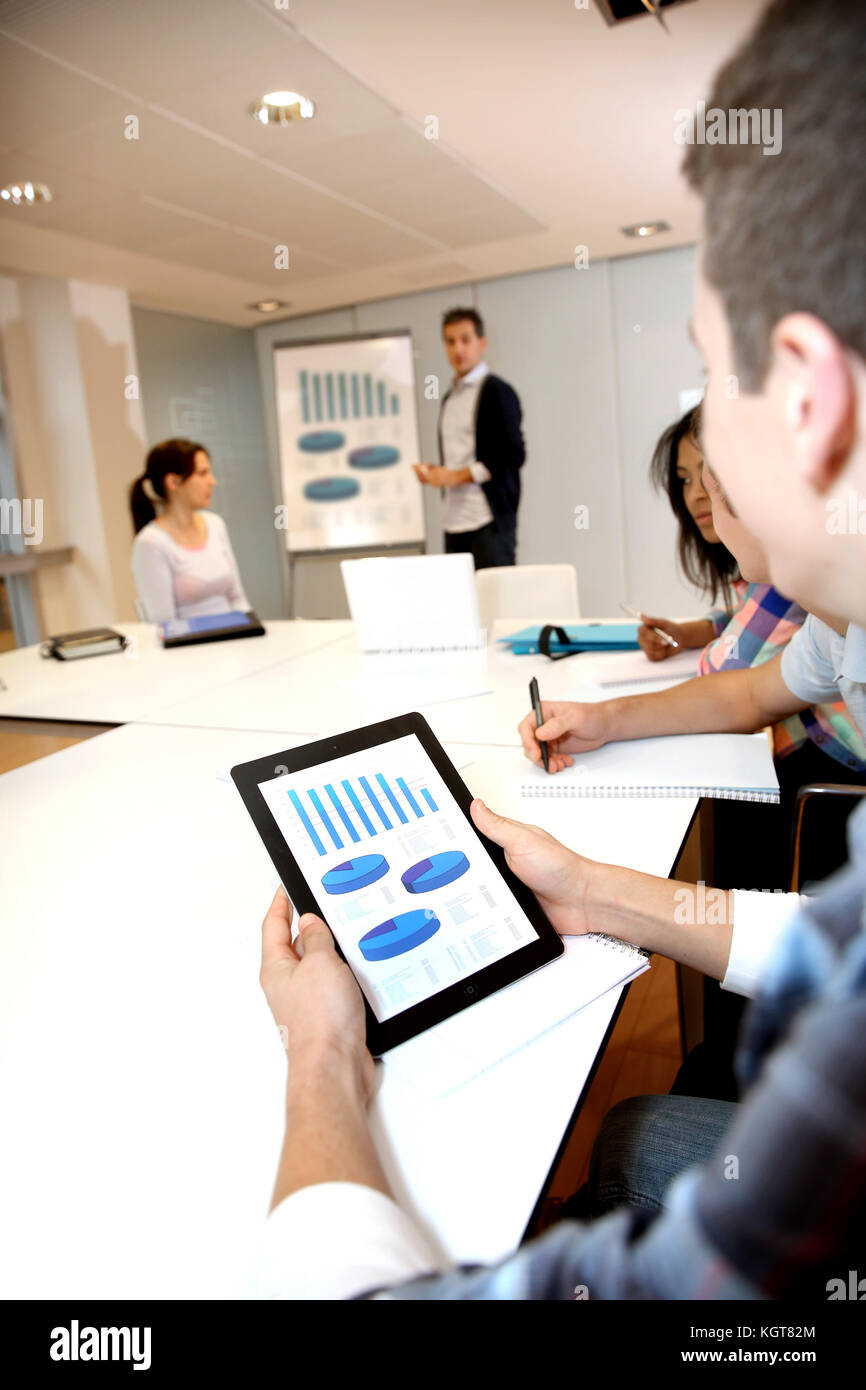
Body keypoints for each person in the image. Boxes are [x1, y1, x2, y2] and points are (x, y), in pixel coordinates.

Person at [246, 0, 866, 1299]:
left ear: (806, 399)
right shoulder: (841, 636)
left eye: (711, 379)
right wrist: (598, 889)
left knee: (622, 1147)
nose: (702, 477)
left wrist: (320, 1058)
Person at [412, 307, 525, 569]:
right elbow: (460, 455)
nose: (458, 349)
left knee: (494, 604)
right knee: (460, 603)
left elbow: (513, 455)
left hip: (487, 520)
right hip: (454, 520)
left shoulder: (497, 391)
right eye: (450, 342)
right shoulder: (450, 399)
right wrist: (436, 473)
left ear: (481, 343)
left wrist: (453, 476)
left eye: (465, 340)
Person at [637, 403, 739, 661]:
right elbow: (744, 609)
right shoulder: (754, 582)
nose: (694, 495)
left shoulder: (784, 583)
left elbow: (728, 665)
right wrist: (684, 633)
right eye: (685, 480)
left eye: (711, 473)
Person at [130, 439, 250, 624]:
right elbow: (164, 623)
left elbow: (238, 599)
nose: (212, 481)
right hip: (191, 648)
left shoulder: (215, 524)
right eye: (202, 474)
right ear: (173, 482)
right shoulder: (150, 543)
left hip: (234, 640)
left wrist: (251, 632)